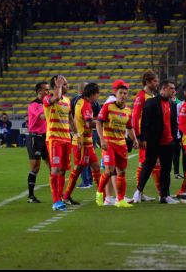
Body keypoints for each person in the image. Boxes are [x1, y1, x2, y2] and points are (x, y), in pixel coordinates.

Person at [135, 80, 180, 204]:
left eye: (174, 88)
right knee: (148, 167)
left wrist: (174, 138)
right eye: (171, 88)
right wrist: (143, 138)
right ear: (163, 89)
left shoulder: (172, 104)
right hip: (154, 142)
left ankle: (165, 196)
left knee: (166, 170)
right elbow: (144, 122)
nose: (173, 91)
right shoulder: (151, 102)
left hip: (168, 142)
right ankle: (138, 192)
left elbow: (173, 123)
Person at [97, 80, 138, 208]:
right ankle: (99, 193)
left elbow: (129, 127)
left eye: (125, 93)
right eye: (120, 93)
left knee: (121, 172)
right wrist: (102, 140)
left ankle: (120, 200)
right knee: (109, 171)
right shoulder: (107, 107)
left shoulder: (128, 110)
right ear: (116, 93)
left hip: (121, 144)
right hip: (109, 143)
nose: (123, 95)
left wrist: (135, 139)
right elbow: (99, 123)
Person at [63, 83, 104, 206]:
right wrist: (101, 122)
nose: (98, 96)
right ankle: (66, 196)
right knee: (78, 168)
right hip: (82, 143)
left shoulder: (80, 101)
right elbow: (88, 124)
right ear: (92, 94)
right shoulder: (86, 105)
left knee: (96, 167)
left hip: (86, 142)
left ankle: (102, 196)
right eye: (97, 94)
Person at [43, 75, 75, 212]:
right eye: (64, 84)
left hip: (66, 139)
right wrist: (58, 87)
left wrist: (77, 135)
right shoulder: (47, 98)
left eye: (66, 84)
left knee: (62, 170)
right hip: (54, 139)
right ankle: (55, 201)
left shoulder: (68, 100)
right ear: (56, 84)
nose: (66, 86)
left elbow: (70, 119)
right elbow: (55, 98)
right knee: (55, 169)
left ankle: (60, 198)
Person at [132, 71, 161, 202]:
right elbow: (135, 118)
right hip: (145, 136)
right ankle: (161, 193)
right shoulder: (141, 96)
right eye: (155, 81)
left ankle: (140, 192)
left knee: (143, 163)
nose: (157, 83)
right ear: (148, 82)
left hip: (152, 135)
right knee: (153, 163)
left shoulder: (152, 95)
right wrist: (139, 137)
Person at [26, 82, 49, 204]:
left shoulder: (46, 103)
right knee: (35, 167)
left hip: (46, 138)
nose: (48, 92)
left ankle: (57, 194)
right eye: (46, 90)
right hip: (35, 138)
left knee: (53, 167)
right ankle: (31, 196)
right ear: (39, 91)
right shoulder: (34, 104)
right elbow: (43, 117)